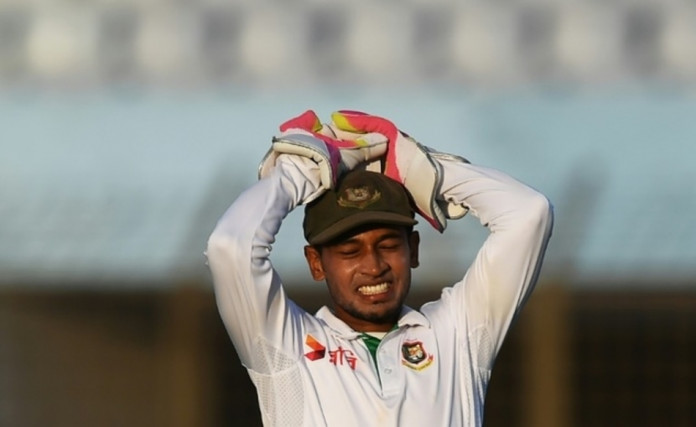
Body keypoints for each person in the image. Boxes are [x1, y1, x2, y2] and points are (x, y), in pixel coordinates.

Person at [206, 110, 554, 427]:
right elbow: (230, 247)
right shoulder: (285, 346)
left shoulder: (456, 337)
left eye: (387, 245)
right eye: (349, 251)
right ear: (316, 263)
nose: (373, 266)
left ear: (413, 249)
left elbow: (528, 214)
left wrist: (417, 167)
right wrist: (298, 174)